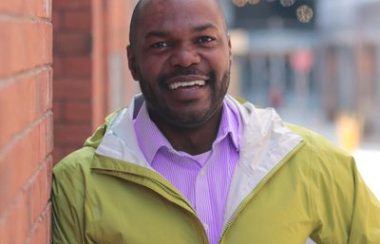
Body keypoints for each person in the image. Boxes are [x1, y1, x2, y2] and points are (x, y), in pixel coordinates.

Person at [52, 0, 380, 243]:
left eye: (205, 40)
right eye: (160, 44)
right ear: (133, 62)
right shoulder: (78, 185)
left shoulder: (311, 162)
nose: (185, 57)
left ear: (230, 49)